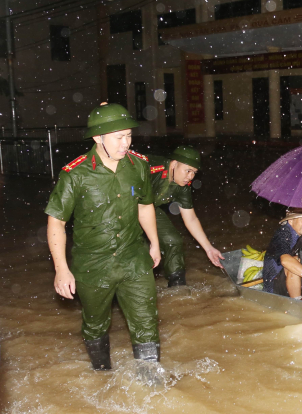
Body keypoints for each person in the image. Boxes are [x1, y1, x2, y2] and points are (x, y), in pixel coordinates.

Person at [45, 103, 162, 370]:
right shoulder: (75, 173)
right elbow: (56, 222)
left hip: (134, 257)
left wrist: (154, 243)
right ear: (98, 138)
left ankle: (151, 389)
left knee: (146, 322)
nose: (126, 143)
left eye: (129, 136)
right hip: (93, 265)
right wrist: (61, 269)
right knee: (95, 324)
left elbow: (145, 206)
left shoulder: (138, 165)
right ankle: (102, 375)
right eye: (119, 137)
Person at [146, 145, 224, 287]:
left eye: (194, 172)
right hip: (122, 207)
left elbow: (191, 218)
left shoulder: (183, 185)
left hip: (149, 208)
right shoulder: (151, 168)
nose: (191, 177)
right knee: (135, 249)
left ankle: (178, 288)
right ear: (174, 164)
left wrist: (209, 249)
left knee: (173, 240)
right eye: (188, 171)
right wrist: (154, 243)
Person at [262, 209, 302, 303]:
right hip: (275, 288)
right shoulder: (283, 233)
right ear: (291, 220)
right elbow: (285, 261)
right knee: (294, 261)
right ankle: (297, 305)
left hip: (296, 283)